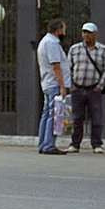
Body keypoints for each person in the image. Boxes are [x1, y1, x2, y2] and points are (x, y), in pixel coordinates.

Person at [68, 21, 105, 152]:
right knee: (77, 118)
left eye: (89, 33)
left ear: (95, 35)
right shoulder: (74, 49)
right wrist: (71, 85)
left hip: (94, 88)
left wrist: (100, 86)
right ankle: (75, 144)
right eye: (84, 32)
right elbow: (69, 68)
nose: (86, 35)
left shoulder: (103, 50)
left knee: (96, 118)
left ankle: (97, 144)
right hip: (77, 87)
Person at [35, 16, 69, 154]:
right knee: (54, 114)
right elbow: (56, 66)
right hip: (54, 83)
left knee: (47, 113)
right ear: (58, 30)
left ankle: (43, 143)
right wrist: (62, 86)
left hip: (47, 82)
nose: (65, 32)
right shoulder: (52, 43)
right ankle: (49, 144)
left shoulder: (45, 41)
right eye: (64, 29)